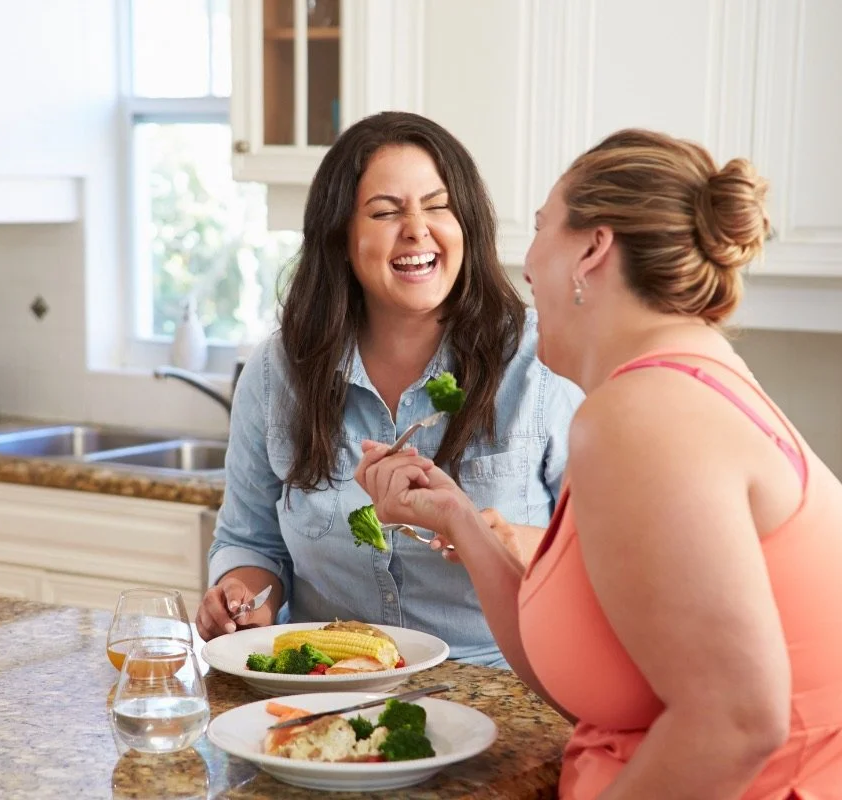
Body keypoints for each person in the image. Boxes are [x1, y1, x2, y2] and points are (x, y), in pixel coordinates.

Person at [355, 129, 842, 796]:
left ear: (592, 249)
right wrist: (458, 517)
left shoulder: (644, 415)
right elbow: (596, 682)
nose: (525, 263)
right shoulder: (663, 389)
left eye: (543, 227)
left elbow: (737, 721)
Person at [195, 111, 582, 667]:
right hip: (329, 686)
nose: (417, 230)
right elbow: (252, 542)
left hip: (501, 682)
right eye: (385, 212)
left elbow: (602, 557)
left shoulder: (540, 363)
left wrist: (493, 538)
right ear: (342, 239)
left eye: (438, 205)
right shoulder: (278, 371)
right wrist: (241, 595)